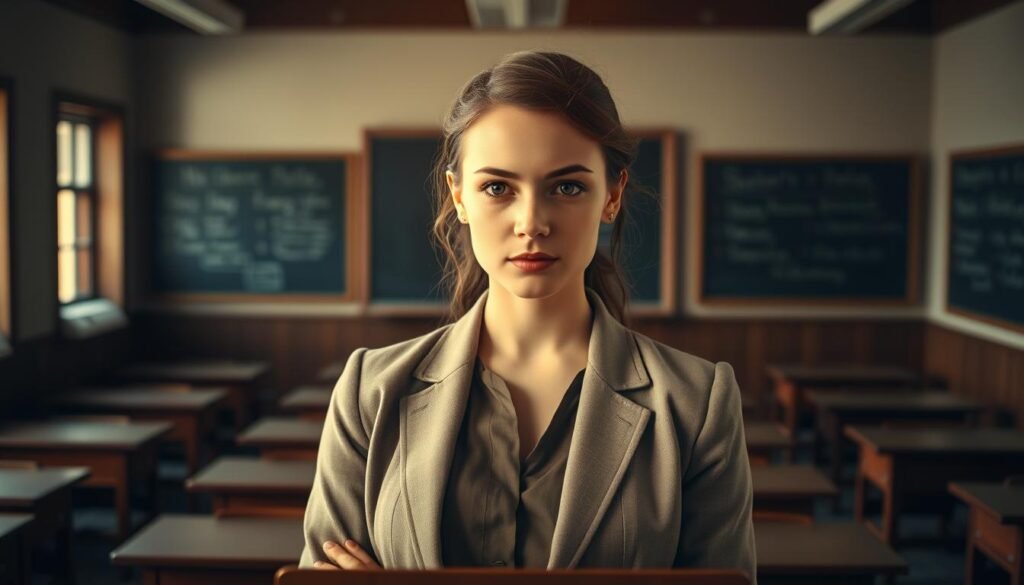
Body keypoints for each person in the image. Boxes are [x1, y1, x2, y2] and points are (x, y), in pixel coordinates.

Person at [300, 50, 756, 579]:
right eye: (498, 187)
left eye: (567, 187)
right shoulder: (369, 391)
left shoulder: (697, 403)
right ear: (460, 197)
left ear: (612, 195)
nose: (532, 222)